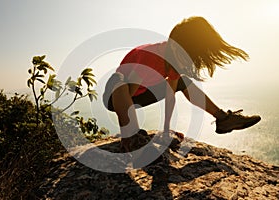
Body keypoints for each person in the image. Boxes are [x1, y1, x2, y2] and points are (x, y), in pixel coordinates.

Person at [103, 16, 261, 152]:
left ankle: (223, 119)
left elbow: (170, 95)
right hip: (116, 96)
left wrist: (165, 132)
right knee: (119, 80)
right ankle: (132, 137)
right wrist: (129, 130)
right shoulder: (148, 57)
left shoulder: (173, 61)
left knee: (183, 81)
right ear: (173, 45)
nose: (187, 62)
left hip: (139, 95)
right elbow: (127, 96)